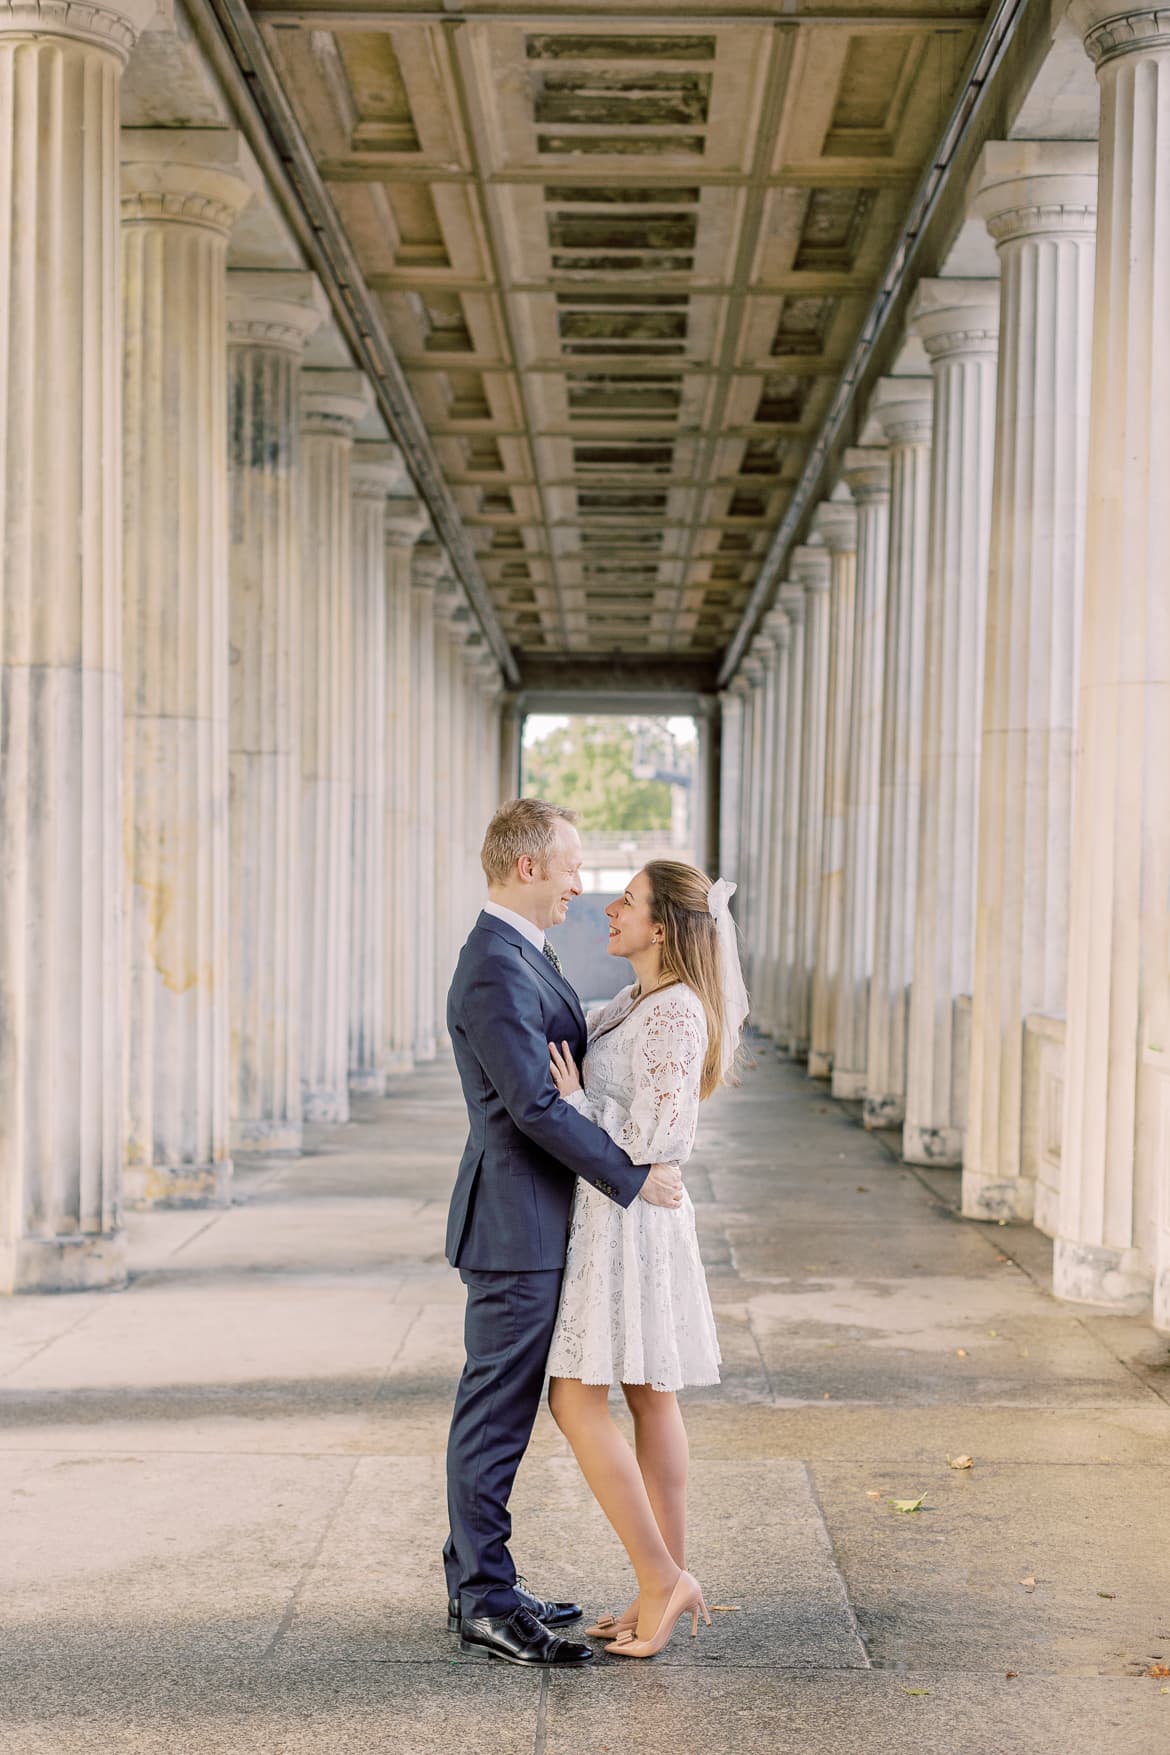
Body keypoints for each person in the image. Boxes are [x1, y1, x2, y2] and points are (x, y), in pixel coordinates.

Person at [443, 798, 686, 1669]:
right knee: (494, 1419)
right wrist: (628, 1177)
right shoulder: (494, 965)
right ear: (529, 867)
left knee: (500, 1412)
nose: (584, 887)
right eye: (574, 868)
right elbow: (536, 1103)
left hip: (538, 1219)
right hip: (518, 1226)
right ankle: (483, 1600)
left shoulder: (519, 952)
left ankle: (482, 1578)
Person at [545, 859, 749, 1659]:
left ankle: (662, 1576)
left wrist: (573, 1104)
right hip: (619, 1212)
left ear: (661, 925)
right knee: (647, 1398)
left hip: (631, 1217)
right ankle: (658, 1579)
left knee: (580, 1399)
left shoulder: (675, 1015)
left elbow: (657, 1139)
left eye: (625, 900)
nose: (608, 906)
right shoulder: (637, 1000)